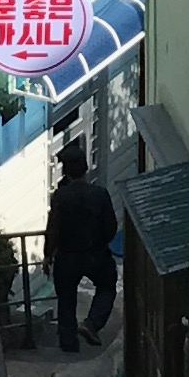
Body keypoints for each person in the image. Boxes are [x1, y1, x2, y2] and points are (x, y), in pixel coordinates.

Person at [47, 145, 120, 350]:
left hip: (67, 255)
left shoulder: (60, 197)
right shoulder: (100, 194)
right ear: (86, 168)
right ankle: (92, 323)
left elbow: (53, 229)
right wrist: (102, 243)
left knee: (66, 297)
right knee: (107, 286)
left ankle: (68, 343)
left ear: (66, 171)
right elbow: (111, 227)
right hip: (96, 253)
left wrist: (47, 255)